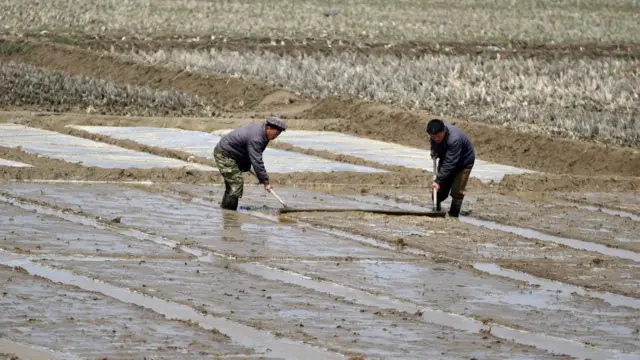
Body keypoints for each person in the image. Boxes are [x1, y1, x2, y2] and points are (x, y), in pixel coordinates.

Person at [213, 115, 288, 210]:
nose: (276, 136)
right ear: (269, 128)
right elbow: (257, 160)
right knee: (236, 183)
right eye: (276, 133)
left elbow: (250, 152)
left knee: (232, 185)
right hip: (225, 154)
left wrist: (246, 165)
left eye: (278, 134)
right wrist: (265, 181)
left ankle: (225, 209)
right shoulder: (257, 137)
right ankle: (230, 214)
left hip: (233, 154)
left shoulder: (263, 132)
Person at [426, 119, 475, 217]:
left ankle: (453, 214)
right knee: (440, 190)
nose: (436, 139)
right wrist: (434, 151)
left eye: (438, 136)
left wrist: (438, 180)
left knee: (457, 190)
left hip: (463, 163)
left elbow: (450, 163)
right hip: (447, 159)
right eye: (433, 137)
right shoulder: (433, 133)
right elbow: (434, 142)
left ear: (443, 131)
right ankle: (436, 208)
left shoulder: (454, 139)